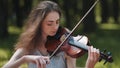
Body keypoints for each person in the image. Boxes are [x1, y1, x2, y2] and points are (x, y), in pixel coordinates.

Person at [3, 1, 100, 68]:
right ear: (39, 24)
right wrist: (24, 59)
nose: (55, 27)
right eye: (50, 23)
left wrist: (89, 66)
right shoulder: (30, 46)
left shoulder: (66, 47)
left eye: (57, 22)